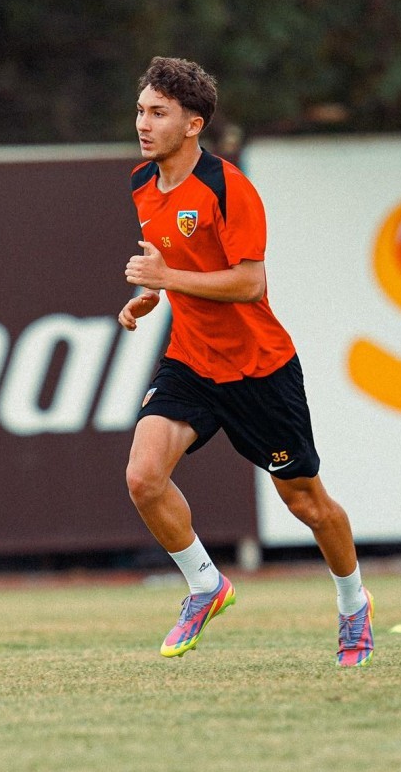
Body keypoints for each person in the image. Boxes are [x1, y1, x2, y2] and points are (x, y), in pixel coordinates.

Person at [118, 56, 373, 666]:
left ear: (193, 124)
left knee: (307, 503)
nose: (144, 124)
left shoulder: (228, 187)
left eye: (159, 113)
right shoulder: (142, 184)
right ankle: (205, 585)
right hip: (191, 361)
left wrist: (167, 278)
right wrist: (150, 296)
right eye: (141, 111)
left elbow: (248, 283)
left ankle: (353, 605)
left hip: (259, 368)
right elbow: (176, 265)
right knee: (143, 479)